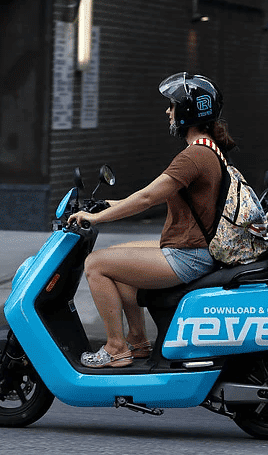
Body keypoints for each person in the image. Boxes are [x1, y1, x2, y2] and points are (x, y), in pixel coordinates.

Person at [67, 72, 235, 368]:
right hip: (191, 249)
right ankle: (138, 340)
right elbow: (152, 197)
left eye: (172, 105)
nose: (167, 112)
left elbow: (147, 199)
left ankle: (116, 348)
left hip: (189, 256)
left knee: (96, 264)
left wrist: (96, 218)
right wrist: (107, 204)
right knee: (119, 255)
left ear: (188, 111)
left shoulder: (193, 156)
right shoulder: (209, 150)